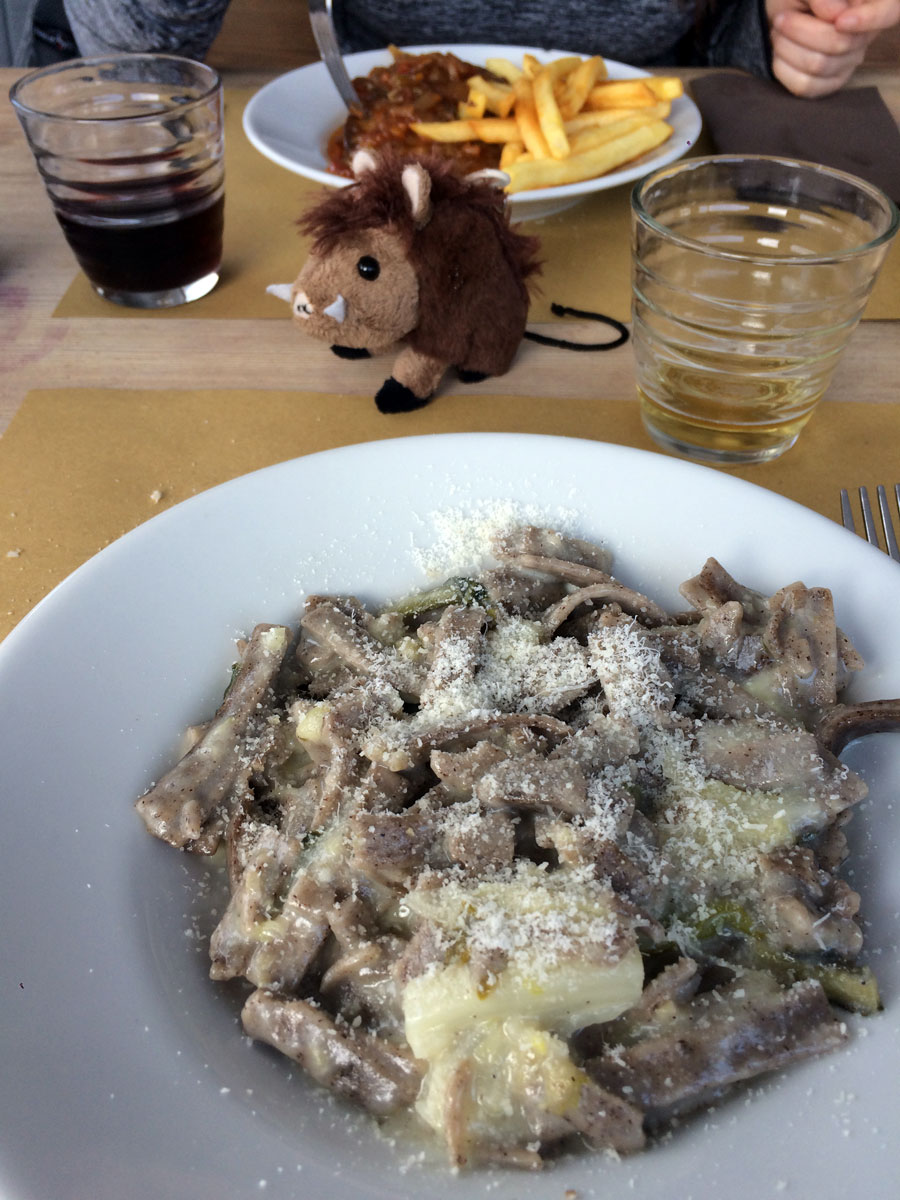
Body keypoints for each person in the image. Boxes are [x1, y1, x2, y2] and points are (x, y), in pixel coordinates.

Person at [1, 0, 897, 98]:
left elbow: (719, 26)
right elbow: (129, 76)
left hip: (637, 201)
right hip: (358, 178)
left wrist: (781, 34)